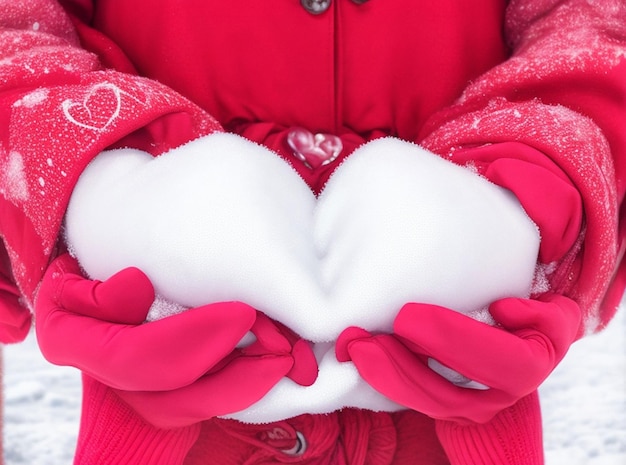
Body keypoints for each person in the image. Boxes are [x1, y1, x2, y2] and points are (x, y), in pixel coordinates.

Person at [1, 0, 625, 463]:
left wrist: (532, 174)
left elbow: (592, 14)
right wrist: (92, 175)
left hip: (460, 388)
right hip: (159, 394)